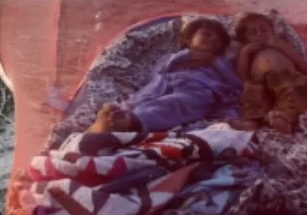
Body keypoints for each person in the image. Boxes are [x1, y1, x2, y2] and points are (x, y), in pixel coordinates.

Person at [88, 17, 243, 134]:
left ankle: (134, 123)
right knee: (140, 100)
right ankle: (111, 120)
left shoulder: (220, 62)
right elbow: (156, 72)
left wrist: (216, 64)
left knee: (177, 104)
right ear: (189, 40)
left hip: (196, 89)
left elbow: (235, 84)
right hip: (161, 85)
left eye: (218, 40)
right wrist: (186, 55)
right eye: (206, 34)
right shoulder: (175, 56)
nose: (212, 40)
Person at [232, 12, 307, 133]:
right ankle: (250, 123)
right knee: (251, 96)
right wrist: (244, 52)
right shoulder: (248, 52)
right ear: (245, 40)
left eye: (264, 30)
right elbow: (242, 77)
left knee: (294, 92)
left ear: (273, 32)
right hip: (259, 83)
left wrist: (279, 46)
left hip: (285, 77)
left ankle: (285, 120)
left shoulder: (281, 44)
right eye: (253, 33)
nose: (260, 34)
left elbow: (304, 68)